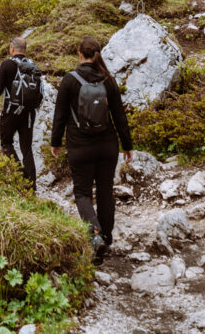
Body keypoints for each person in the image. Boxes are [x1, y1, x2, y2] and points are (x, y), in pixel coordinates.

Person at [50, 35, 133, 259]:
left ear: (79, 54)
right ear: (98, 55)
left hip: (80, 146)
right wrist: (127, 145)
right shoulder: (108, 80)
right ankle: (106, 236)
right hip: (107, 145)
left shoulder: (69, 80)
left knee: (82, 193)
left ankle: (95, 234)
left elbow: (60, 115)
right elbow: (119, 115)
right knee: (106, 190)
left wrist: (55, 142)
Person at [0, 35, 42, 191]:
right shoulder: (33, 66)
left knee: (6, 143)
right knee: (26, 148)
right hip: (29, 113)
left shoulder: (7, 65)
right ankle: (32, 186)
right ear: (25, 50)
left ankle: (20, 176)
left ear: (12, 48)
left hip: (11, 112)